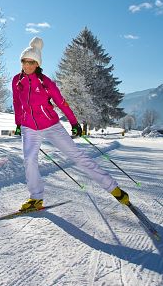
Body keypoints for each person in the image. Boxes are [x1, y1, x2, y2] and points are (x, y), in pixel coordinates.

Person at [12, 37, 130, 211]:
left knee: (78, 156)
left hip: (52, 126)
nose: (27, 65)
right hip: (30, 127)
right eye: (24, 61)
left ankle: (114, 188)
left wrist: (74, 123)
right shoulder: (17, 80)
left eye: (31, 62)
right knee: (29, 160)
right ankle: (36, 198)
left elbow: (62, 103)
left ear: (37, 63)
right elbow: (16, 102)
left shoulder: (46, 82)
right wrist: (18, 123)